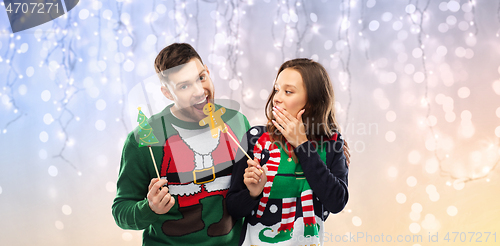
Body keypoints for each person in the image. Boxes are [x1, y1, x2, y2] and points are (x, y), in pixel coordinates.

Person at [112, 43, 250, 246]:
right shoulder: (143, 140)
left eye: (201, 78)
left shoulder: (237, 122)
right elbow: (121, 211)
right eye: (184, 86)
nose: (199, 91)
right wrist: (149, 208)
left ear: (208, 73)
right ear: (167, 93)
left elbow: (246, 195)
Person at [227, 58, 349, 245]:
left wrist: (302, 144)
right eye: (276, 89)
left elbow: (336, 202)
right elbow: (233, 209)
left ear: (313, 102)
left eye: (288, 91)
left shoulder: (332, 142)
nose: (277, 97)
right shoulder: (254, 138)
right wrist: (252, 193)